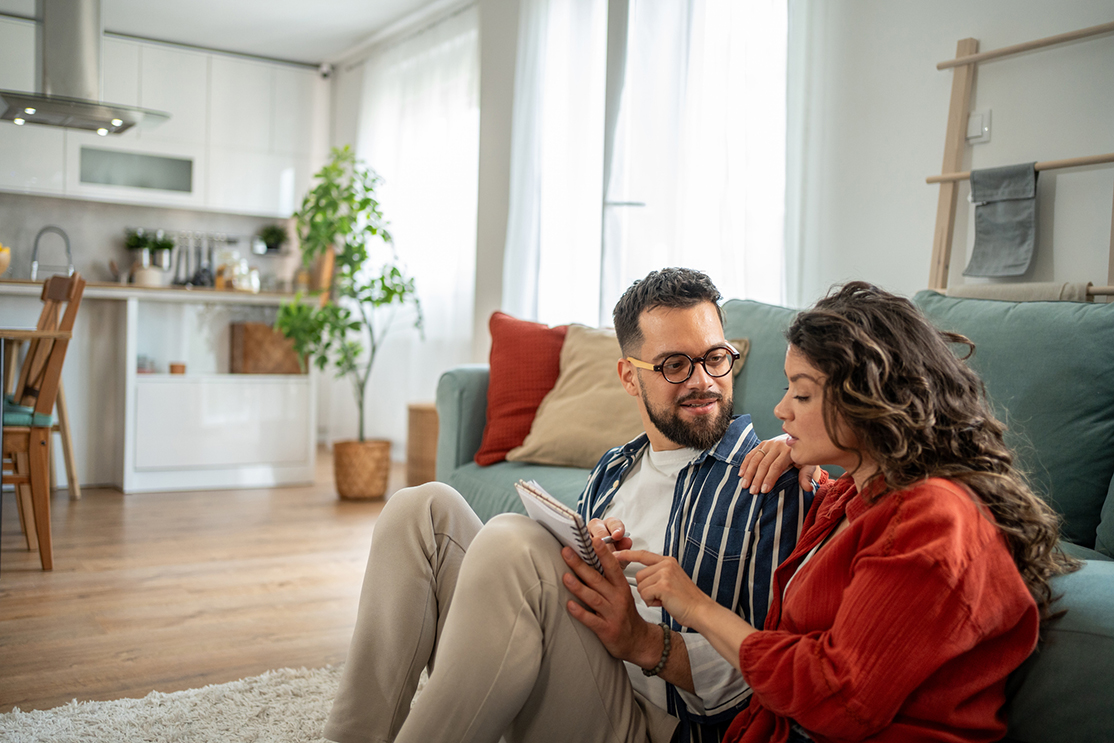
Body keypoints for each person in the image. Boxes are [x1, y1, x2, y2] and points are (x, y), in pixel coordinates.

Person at [323, 267, 816, 743]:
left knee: (512, 541)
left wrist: (644, 641)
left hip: (657, 724)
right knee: (421, 509)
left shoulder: (769, 479)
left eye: (715, 358)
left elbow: (763, 679)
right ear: (629, 377)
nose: (703, 381)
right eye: (674, 365)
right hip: (566, 674)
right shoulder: (613, 469)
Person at [613, 281, 1079, 743]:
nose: (780, 410)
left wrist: (695, 606)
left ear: (865, 398)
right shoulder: (850, 497)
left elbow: (839, 701)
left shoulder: (935, 520)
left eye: (801, 394)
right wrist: (802, 454)